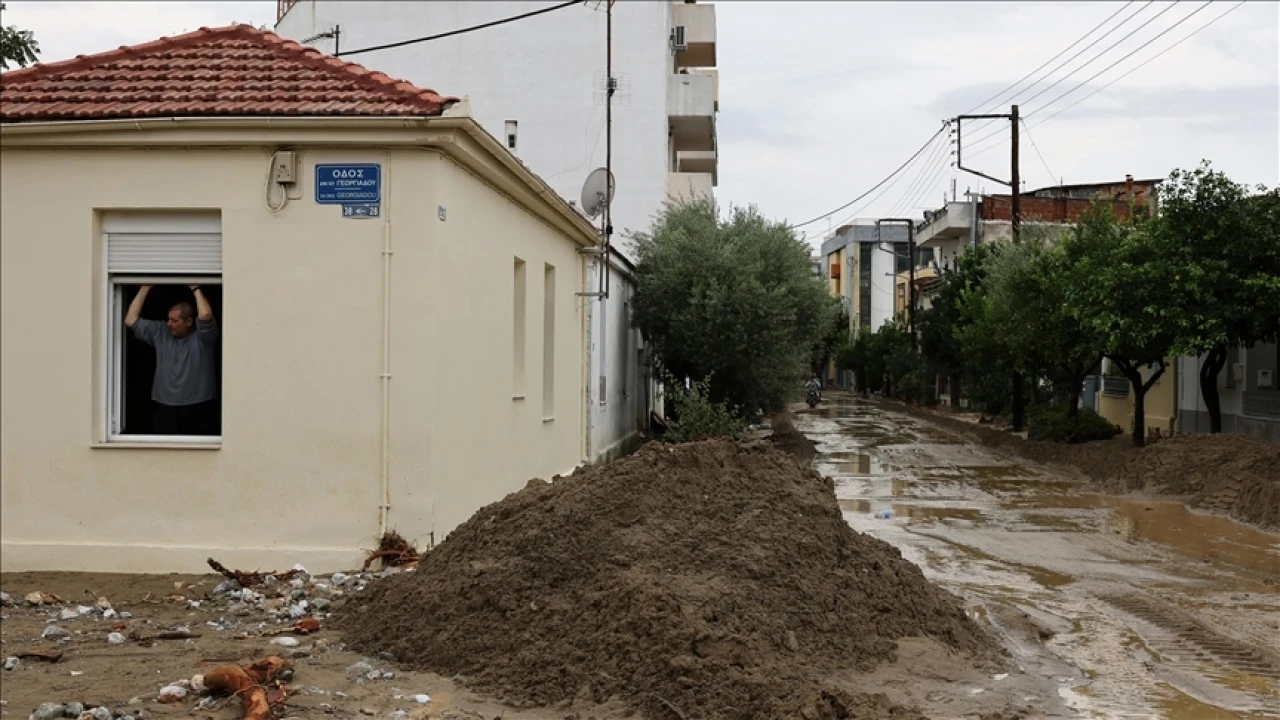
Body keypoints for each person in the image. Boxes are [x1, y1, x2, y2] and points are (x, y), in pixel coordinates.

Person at [124, 284, 220, 435]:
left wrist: (195, 288)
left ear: (189, 322)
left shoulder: (204, 337)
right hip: (164, 407)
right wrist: (145, 288)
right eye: (168, 319)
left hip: (199, 407)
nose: (169, 324)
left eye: (174, 321)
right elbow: (130, 320)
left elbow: (206, 315)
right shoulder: (161, 331)